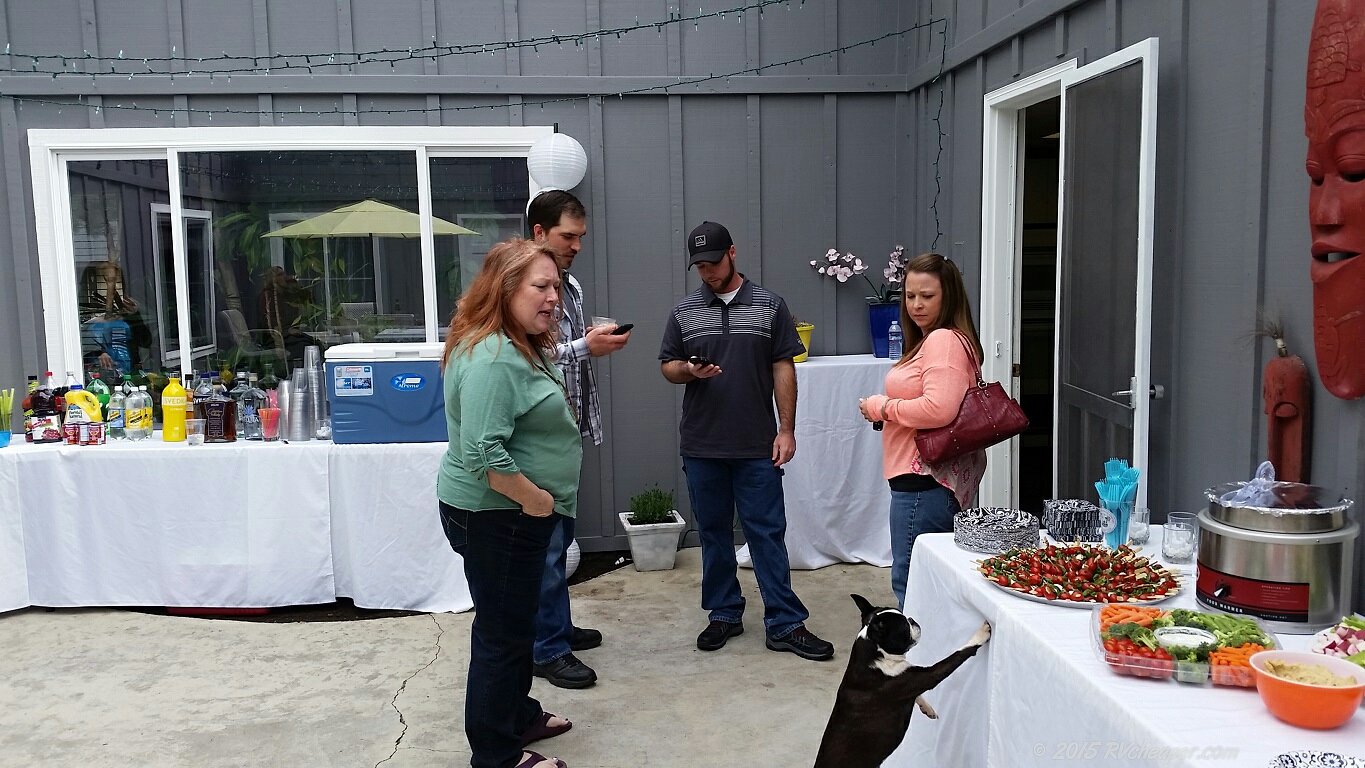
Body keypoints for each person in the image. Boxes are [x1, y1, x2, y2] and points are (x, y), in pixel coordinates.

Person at [658, 220, 835, 662]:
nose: (708, 272)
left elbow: (783, 366)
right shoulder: (684, 312)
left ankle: (785, 623)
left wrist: (787, 429)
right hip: (702, 444)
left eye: (714, 263)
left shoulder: (770, 306)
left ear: (732, 253)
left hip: (757, 444)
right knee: (713, 533)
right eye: (699, 266)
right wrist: (689, 370)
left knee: (767, 533)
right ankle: (724, 613)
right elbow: (668, 366)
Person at [437, 238, 580, 768]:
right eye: (541, 286)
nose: (553, 297)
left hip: (510, 515)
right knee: (501, 633)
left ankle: (516, 714)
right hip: (499, 515)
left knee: (518, 623)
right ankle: (496, 754)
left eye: (556, 286)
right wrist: (538, 501)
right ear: (505, 288)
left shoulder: (516, 342)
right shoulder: (494, 357)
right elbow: (484, 452)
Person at [527, 190, 629, 689]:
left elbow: (559, 346)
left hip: (569, 428)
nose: (577, 246)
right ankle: (546, 650)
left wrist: (587, 338)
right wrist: (584, 347)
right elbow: (526, 355)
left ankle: (558, 628)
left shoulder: (572, 286)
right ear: (539, 233)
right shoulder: (519, 288)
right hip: (539, 437)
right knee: (546, 549)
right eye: (568, 236)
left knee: (561, 537)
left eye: (581, 236)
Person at [857, 252, 988, 609]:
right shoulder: (937, 339)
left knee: (912, 582)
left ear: (949, 296)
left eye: (927, 296)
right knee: (928, 580)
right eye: (910, 295)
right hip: (929, 480)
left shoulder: (943, 341)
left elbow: (939, 409)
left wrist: (882, 407)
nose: (915, 305)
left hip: (924, 480)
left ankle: (918, 644)